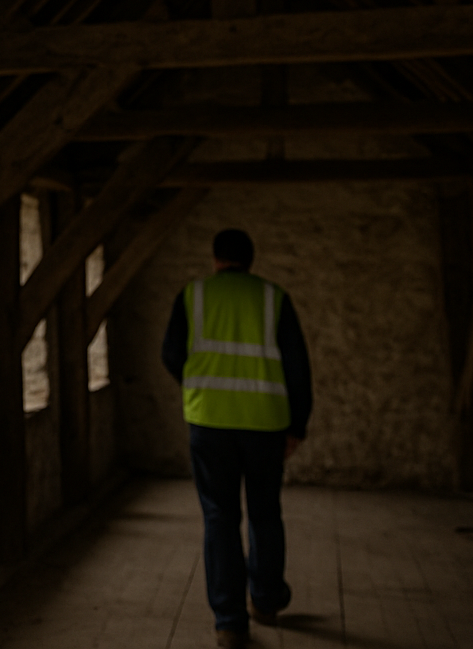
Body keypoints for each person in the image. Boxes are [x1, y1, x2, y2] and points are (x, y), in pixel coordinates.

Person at [161, 228, 313, 649]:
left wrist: (198, 387)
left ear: (216, 259)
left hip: (209, 423)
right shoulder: (273, 298)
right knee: (265, 513)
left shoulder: (193, 295)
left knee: (219, 518)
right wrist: (297, 426)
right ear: (250, 259)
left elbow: (171, 354)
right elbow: (298, 368)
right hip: (266, 424)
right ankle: (264, 601)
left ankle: (229, 623)